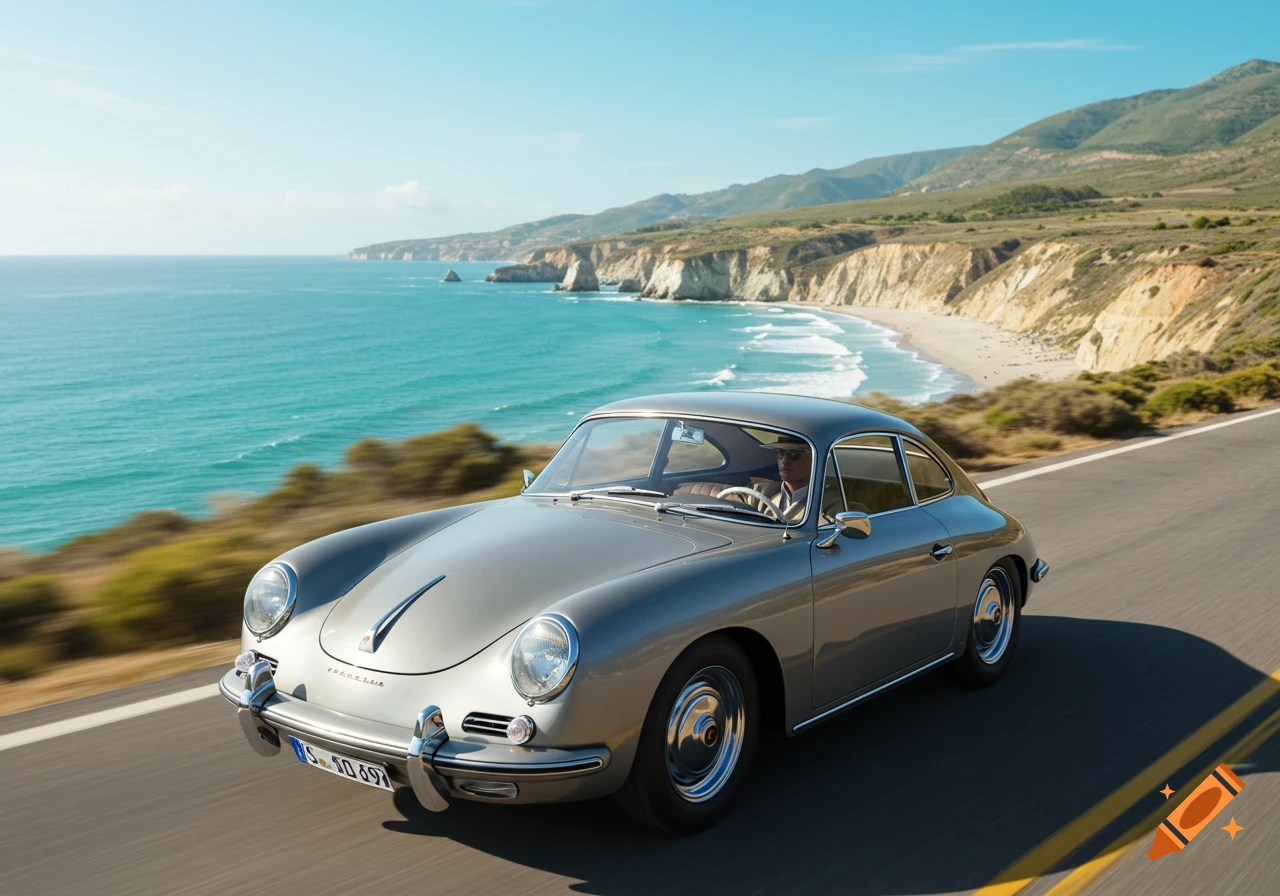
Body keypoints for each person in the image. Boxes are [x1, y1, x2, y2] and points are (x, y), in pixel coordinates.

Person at [734, 435, 813, 522]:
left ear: (815, 457)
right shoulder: (762, 492)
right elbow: (727, 495)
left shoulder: (827, 504)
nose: (784, 461)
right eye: (780, 453)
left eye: (794, 454)